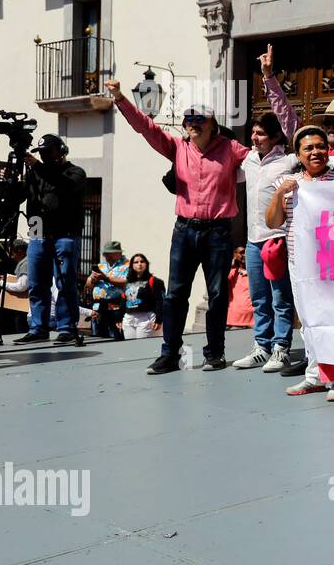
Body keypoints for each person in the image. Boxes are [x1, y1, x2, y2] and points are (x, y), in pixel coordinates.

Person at [107, 78, 251, 374]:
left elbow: (261, 163)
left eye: (200, 119)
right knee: (175, 294)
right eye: (188, 119)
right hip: (184, 229)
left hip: (218, 232)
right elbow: (146, 128)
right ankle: (170, 354)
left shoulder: (231, 149)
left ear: (212, 123)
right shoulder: (177, 148)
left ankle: (215, 353)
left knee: (217, 294)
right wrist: (120, 98)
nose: (192, 123)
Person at [268, 126, 334, 401]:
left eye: (321, 146)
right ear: (298, 154)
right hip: (299, 264)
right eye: (309, 148)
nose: (316, 152)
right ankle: (314, 377)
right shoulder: (287, 182)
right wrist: (280, 193)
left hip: (333, 264)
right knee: (308, 322)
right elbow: (272, 222)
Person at [232, 44, 300, 371]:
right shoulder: (246, 161)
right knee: (259, 298)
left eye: (260, 134)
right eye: (253, 133)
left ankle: (281, 347)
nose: (254, 137)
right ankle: (261, 345)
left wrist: (269, 78)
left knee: (280, 298)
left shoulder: (288, 160)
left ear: (274, 137)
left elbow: (289, 120)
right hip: (253, 239)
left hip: (279, 239)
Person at [14, 134, 86, 345]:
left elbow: (62, 184)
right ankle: (38, 328)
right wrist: (11, 180)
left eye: (48, 152)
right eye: (41, 153)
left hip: (65, 232)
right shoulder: (35, 174)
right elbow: (18, 197)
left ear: (61, 151)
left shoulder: (75, 173)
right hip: (37, 230)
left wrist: (37, 166)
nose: (44, 156)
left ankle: (66, 328)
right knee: (36, 283)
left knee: (64, 282)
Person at [86, 240, 129, 339]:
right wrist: (92, 279)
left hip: (115, 307)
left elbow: (126, 283)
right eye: (105, 254)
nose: (107, 256)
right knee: (97, 337)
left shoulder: (128, 265)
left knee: (114, 337)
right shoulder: (101, 266)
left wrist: (106, 278)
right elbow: (88, 285)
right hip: (98, 307)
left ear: (119, 253)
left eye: (110, 254)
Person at [121, 253, 163, 339]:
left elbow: (160, 301)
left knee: (143, 347)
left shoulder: (154, 281)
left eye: (142, 261)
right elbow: (123, 301)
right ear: (132, 265)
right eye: (136, 262)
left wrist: (159, 320)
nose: (139, 264)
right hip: (129, 318)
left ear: (146, 264)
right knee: (129, 346)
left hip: (146, 318)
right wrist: (118, 318)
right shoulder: (127, 282)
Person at [226, 246, 254, 329]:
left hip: (253, 321)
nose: (245, 255)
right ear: (235, 255)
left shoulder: (255, 273)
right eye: (242, 252)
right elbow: (220, 281)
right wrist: (231, 265)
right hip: (234, 320)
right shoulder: (232, 273)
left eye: (246, 252)